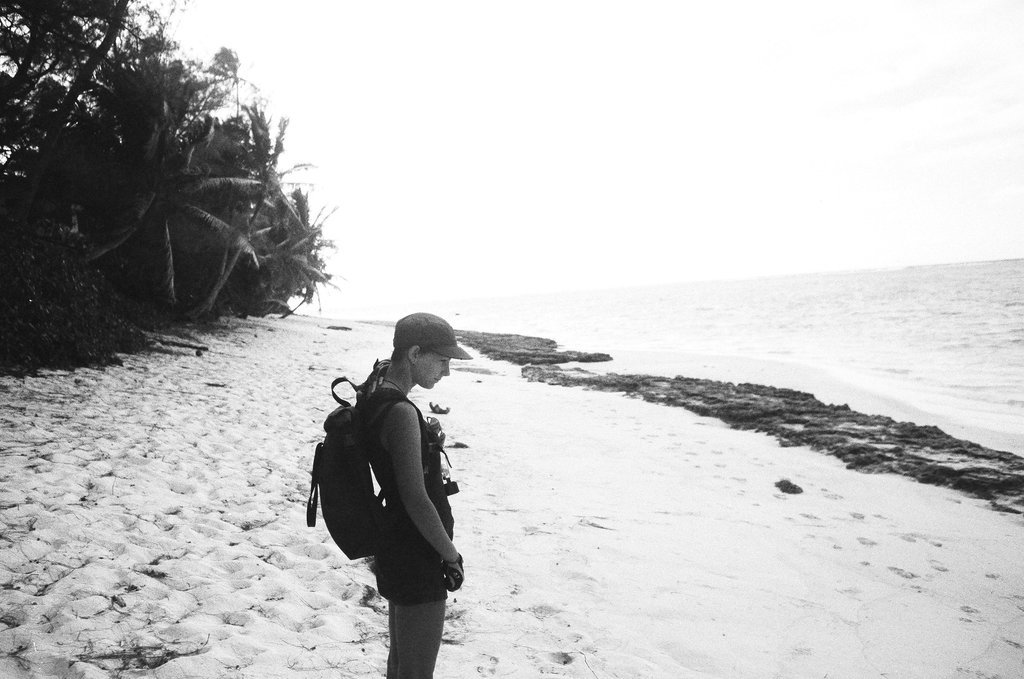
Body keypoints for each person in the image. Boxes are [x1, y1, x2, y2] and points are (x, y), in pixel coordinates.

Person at [361, 312, 472, 679]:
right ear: (414, 353)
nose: (447, 371)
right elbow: (416, 498)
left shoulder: (376, 394)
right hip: (417, 549)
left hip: (396, 543)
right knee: (417, 671)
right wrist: (450, 554)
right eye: (442, 361)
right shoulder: (400, 412)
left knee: (400, 664)